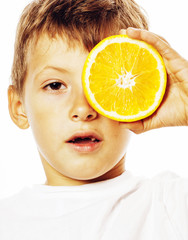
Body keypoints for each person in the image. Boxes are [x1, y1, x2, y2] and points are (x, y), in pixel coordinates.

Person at [1, 0, 188, 239]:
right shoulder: (6, 222)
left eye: (109, 83)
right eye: (55, 85)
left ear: (139, 97)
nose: (83, 109)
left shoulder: (172, 206)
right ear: (19, 107)